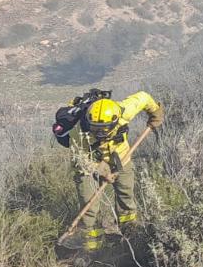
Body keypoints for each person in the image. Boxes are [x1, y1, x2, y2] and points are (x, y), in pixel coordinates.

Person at [65, 91, 163, 251]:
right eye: (96, 129)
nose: (100, 133)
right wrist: (101, 170)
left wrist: (155, 112)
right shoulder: (79, 131)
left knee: (126, 193)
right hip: (89, 163)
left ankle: (130, 234)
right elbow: (78, 160)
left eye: (104, 129)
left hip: (121, 156)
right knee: (89, 206)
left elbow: (144, 98)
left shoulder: (124, 110)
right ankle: (91, 247)